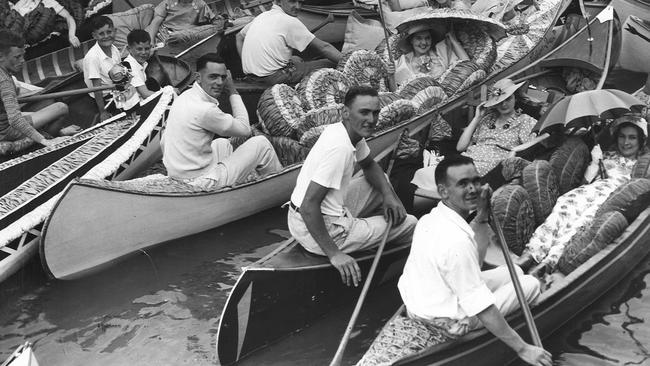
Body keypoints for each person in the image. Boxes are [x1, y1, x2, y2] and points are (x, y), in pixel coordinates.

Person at [398, 155, 551, 366]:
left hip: (424, 302)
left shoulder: (430, 218)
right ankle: (468, 321)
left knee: (513, 271)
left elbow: (475, 264)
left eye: (475, 181)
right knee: (531, 284)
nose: (472, 189)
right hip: (443, 318)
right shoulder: (456, 241)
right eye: (462, 184)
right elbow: (481, 305)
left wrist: (483, 211)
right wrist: (523, 348)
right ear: (443, 191)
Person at [287, 86, 418, 287]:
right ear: (346, 113)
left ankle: (371, 227)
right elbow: (309, 206)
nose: (371, 120)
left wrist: (389, 196)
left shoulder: (344, 131)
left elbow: (369, 165)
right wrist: (335, 255)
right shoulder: (340, 149)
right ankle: (385, 257)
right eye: (364, 112)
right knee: (410, 223)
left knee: (381, 180)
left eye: (375, 113)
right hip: (320, 227)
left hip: (304, 216)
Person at [519, 115, 649, 276]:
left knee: (582, 221)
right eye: (622, 136)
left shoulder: (643, 165)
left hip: (610, 200)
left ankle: (548, 262)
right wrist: (595, 163)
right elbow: (585, 183)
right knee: (564, 207)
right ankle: (532, 252)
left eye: (632, 137)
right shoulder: (606, 155)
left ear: (641, 140)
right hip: (588, 192)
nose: (626, 142)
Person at [161, 53, 282, 190]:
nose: (219, 82)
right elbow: (245, 130)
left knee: (222, 143)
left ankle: (245, 177)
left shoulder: (184, 97)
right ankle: (276, 189)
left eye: (223, 77)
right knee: (261, 143)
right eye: (213, 77)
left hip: (177, 172)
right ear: (198, 77)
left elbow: (164, 141)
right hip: (198, 181)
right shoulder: (205, 109)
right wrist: (232, 90)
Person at [411, 78, 545, 194]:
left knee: (448, 180)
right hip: (468, 159)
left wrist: (515, 150)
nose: (504, 104)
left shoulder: (524, 120)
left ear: (515, 97)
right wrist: (477, 118)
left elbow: (541, 138)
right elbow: (460, 147)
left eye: (508, 99)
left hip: (490, 167)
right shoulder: (487, 119)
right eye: (499, 101)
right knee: (423, 174)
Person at [0, 29, 78, 147]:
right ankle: (48, 138)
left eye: (23, 56)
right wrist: (45, 141)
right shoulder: (5, 81)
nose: (23, 61)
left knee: (42, 107)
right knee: (61, 108)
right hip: (5, 131)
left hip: (3, 121)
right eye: (17, 57)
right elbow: (15, 120)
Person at [236, 0, 342, 85]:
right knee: (330, 63)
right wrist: (350, 62)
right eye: (292, 1)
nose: (298, 6)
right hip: (273, 78)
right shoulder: (289, 21)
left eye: (301, 2)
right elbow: (324, 47)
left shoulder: (262, 16)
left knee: (297, 59)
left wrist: (248, 64)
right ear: (279, 2)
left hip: (252, 76)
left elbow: (239, 37)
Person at [391, 23, 469, 88]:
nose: (424, 43)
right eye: (419, 38)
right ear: (411, 40)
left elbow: (467, 65)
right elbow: (397, 93)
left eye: (427, 38)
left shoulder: (441, 51)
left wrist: (454, 41)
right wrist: (391, 76)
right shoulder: (403, 62)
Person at [83, 15, 120, 122]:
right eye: (101, 34)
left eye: (109, 32)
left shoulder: (114, 49)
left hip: (116, 89)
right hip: (103, 97)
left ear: (115, 31)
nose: (106, 36)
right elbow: (96, 88)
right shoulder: (93, 57)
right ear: (94, 36)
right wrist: (102, 111)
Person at [146, 0, 221, 45]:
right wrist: (151, 41)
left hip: (187, 34)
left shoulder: (200, 4)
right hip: (166, 32)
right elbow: (155, 22)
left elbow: (207, 22)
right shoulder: (168, 2)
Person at [11, 0, 81, 47]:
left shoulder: (49, 2)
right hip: (22, 41)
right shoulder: (19, 4)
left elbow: (68, 17)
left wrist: (72, 35)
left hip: (43, 39)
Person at [123, 29, 156, 100]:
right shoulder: (130, 66)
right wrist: (168, 92)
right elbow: (145, 94)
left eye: (147, 48)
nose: (144, 52)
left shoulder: (141, 63)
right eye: (139, 49)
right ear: (129, 49)